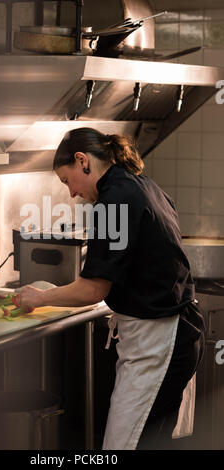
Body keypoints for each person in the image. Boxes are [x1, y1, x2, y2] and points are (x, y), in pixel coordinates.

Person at [18, 127, 205, 450]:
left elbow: (92, 291)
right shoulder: (140, 185)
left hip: (158, 342)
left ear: (82, 161)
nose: (72, 193)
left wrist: (39, 297)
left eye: (67, 181)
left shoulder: (114, 200)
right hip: (172, 334)